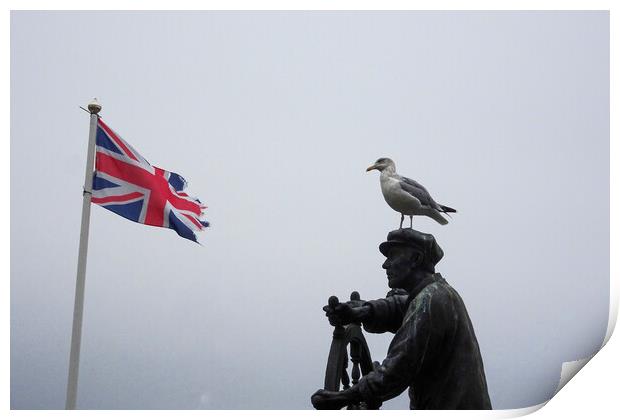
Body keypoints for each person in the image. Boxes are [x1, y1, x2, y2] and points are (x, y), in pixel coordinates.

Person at [311, 229, 492, 410]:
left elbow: (398, 369)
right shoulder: (436, 293)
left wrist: (342, 397)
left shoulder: (431, 300)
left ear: (416, 259)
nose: (385, 264)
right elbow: (401, 308)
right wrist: (362, 311)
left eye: (392, 256)